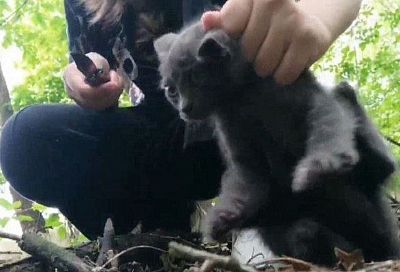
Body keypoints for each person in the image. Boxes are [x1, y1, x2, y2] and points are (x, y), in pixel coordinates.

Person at [0, 0, 362, 239]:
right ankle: (150, 234)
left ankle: (278, 211)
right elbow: (91, 61)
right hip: (165, 133)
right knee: (24, 139)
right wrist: (82, 77)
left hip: (246, 116)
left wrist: (317, 18)